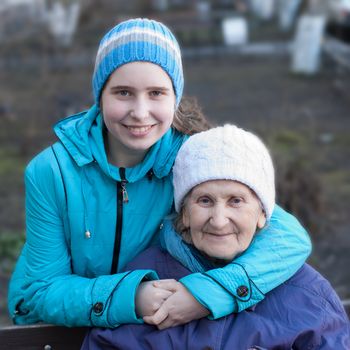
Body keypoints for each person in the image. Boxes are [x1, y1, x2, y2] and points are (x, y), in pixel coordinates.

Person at [8, 18, 311, 328]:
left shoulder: (191, 159)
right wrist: (130, 298)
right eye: (123, 93)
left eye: (156, 93)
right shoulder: (52, 171)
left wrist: (207, 294)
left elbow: (287, 238)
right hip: (58, 329)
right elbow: (40, 289)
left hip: (151, 328)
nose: (140, 112)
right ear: (100, 95)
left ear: (174, 97)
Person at [82, 125, 350, 349]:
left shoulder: (305, 291)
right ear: (184, 213)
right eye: (205, 201)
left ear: (262, 214)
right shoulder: (147, 278)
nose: (219, 220)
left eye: (236, 201)